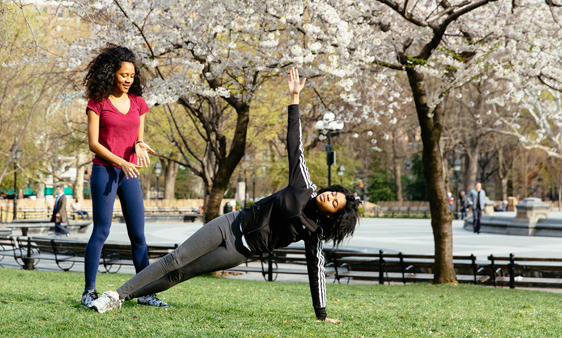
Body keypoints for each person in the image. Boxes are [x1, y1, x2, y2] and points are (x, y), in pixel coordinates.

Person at [89, 68, 360, 322]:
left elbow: (317, 271)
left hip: (239, 251)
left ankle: (131, 295)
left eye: (335, 203)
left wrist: (321, 314)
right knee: (176, 258)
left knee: (181, 274)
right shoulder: (303, 185)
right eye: (333, 193)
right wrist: (294, 99)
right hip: (230, 223)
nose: (330, 197)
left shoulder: (314, 232)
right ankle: (115, 295)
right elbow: (295, 144)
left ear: (332, 215)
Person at [80, 44, 164, 309]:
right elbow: (94, 143)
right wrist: (119, 161)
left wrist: (139, 146)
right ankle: (88, 292)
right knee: (101, 231)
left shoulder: (139, 103)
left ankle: (145, 292)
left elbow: (138, 138)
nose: (128, 80)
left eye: (131, 75)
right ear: (111, 74)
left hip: (129, 173)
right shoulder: (98, 102)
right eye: (123, 75)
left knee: (138, 235)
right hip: (105, 171)